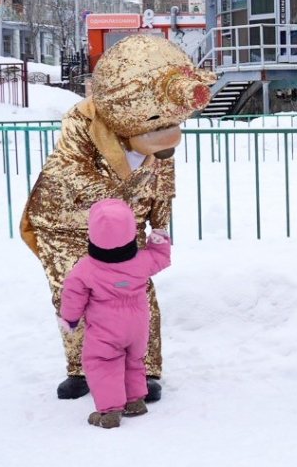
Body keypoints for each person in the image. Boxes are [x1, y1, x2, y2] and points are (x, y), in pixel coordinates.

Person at [21, 34, 214, 402]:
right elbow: (71, 175)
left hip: (123, 228)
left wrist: (159, 225)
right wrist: (135, 175)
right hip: (66, 222)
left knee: (138, 291)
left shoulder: (161, 127)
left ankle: (144, 369)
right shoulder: (82, 122)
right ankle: (81, 367)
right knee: (72, 292)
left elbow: (164, 182)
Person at [58, 199, 173, 429]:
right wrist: (158, 239)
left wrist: (70, 319)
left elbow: (72, 295)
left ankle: (110, 411)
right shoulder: (141, 261)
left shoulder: (86, 268)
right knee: (134, 360)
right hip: (137, 326)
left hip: (105, 330)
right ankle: (135, 400)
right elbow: (162, 259)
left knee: (102, 363)